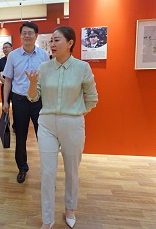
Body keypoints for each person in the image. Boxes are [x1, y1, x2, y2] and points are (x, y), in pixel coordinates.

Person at [26, 27, 98, 229]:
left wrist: (76, 114)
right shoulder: (44, 67)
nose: (52, 44)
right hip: (46, 123)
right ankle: (47, 218)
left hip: (72, 124)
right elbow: (33, 97)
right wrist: (32, 83)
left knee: (72, 170)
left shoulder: (82, 67)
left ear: (70, 43)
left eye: (56, 40)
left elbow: (92, 98)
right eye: (51, 41)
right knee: (47, 172)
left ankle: (70, 208)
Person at [3, 21, 49, 183]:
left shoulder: (44, 55)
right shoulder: (13, 56)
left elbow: (47, 80)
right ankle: (22, 168)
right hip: (19, 101)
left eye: (30, 33)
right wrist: (5, 101)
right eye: (24, 33)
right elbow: (8, 80)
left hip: (38, 101)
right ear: (20, 36)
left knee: (42, 136)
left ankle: (46, 169)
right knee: (20, 136)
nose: (27, 36)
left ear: (36, 35)